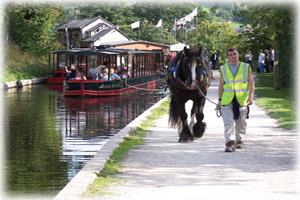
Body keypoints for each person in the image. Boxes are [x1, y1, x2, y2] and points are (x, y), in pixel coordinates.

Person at [216, 48, 255, 152]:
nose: (233, 56)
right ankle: (229, 143)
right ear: (227, 57)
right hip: (227, 100)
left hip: (241, 99)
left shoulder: (246, 67)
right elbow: (221, 85)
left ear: (238, 54)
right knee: (228, 123)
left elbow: (251, 83)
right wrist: (219, 100)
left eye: (234, 54)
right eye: (230, 55)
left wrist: (251, 97)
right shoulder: (223, 68)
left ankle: (239, 140)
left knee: (241, 122)